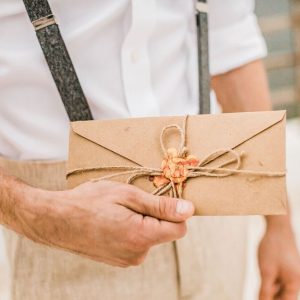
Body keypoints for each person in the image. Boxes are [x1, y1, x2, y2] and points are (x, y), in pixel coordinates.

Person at [0, 0, 300, 299]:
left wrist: (278, 226)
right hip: (60, 227)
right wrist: (41, 213)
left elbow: (231, 39)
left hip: (212, 208)